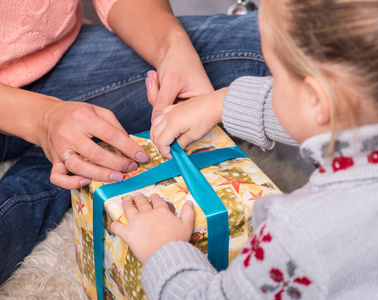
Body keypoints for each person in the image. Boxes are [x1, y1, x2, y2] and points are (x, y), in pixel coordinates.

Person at [111, 0, 378, 298]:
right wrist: (221, 102)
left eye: (274, 72)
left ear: (317, 99)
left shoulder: (297, 235)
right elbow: (342, 119)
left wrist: (164, 249)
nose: (270, 79)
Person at [0, 0, 268, 283]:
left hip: (64, 63)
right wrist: (43, 120)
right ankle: (68, 150)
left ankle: (73, 148)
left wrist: (172, 46)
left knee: (276, 43)